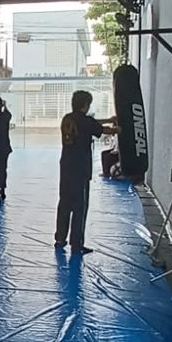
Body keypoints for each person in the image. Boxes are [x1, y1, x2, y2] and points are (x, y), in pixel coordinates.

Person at [54, 90, 119, 255]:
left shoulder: (67, 118)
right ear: (86, 105)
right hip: (80, 168)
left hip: (66, 166)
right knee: (79, 207)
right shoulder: (86, 122)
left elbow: (91, 123)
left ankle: (60, 238)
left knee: (64, 203)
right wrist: (119, 129)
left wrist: (108, 120)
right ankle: (76, 244)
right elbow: (102, 130)